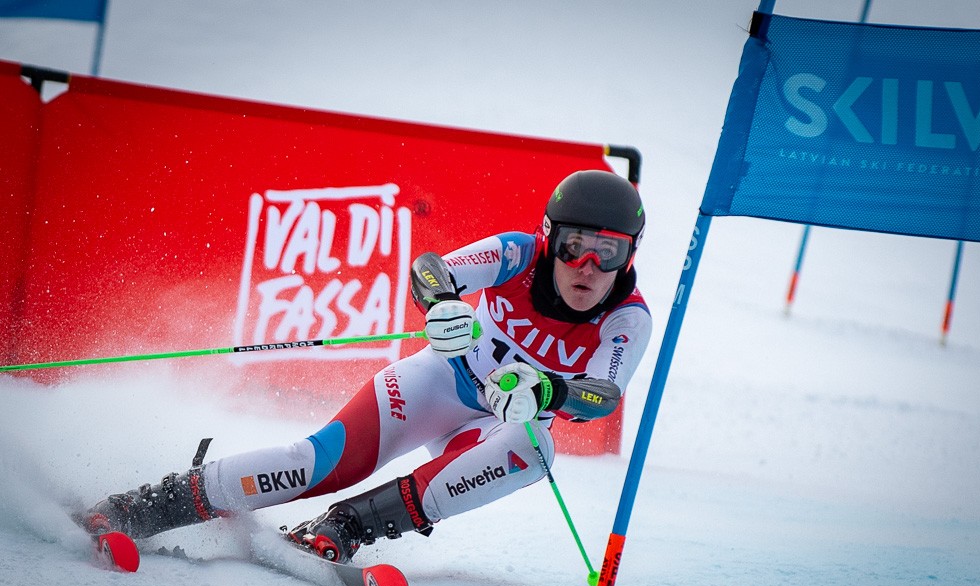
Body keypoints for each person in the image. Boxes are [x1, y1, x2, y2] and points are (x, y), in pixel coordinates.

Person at [79, 169, 652, 564]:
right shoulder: (517, 254)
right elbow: (432, 269)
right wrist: (441, 305)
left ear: (630, 255)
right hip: (439, 384)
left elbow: (604, 394)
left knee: (534, 448)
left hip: (494, 427)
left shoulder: (627, 317)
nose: (588, 266)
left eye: (610, 251)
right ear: (550, 238)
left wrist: (550, 392)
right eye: (575, 244)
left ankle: (346, 526)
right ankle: (141, 507)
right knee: (315, 463)